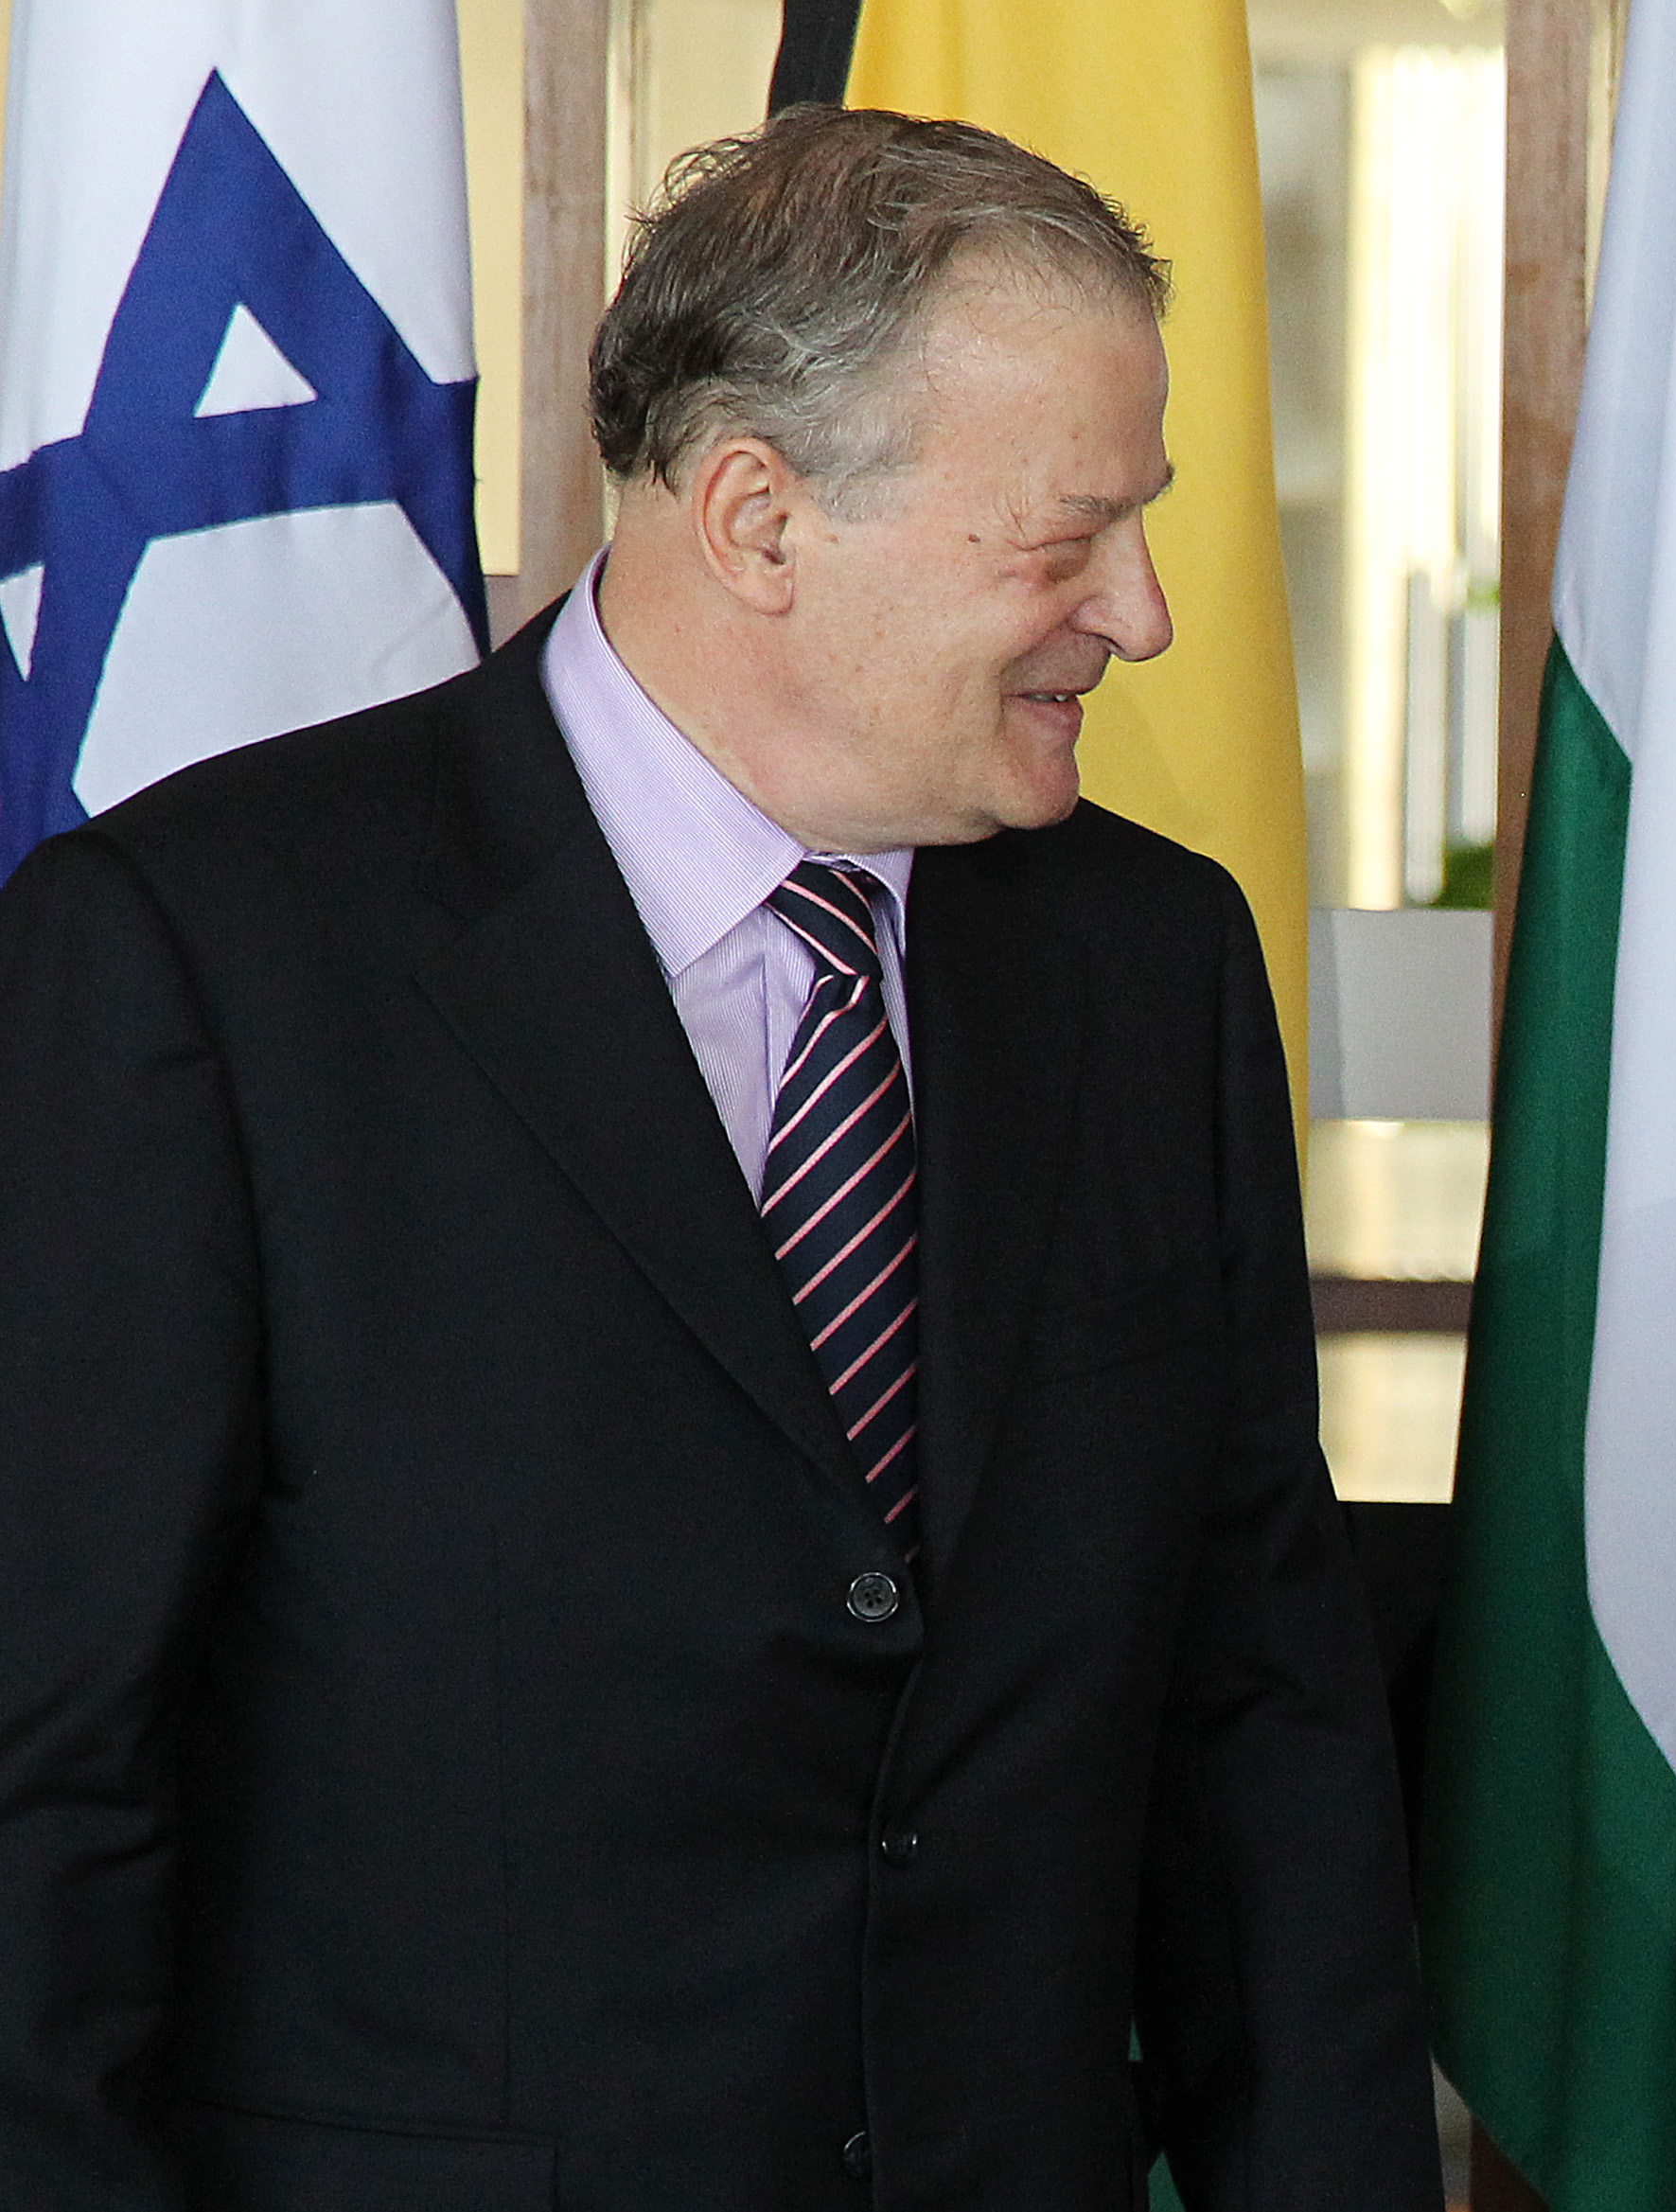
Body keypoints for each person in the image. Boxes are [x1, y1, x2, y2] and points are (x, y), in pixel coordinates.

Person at [0, 107, 1441, 2209]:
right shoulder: (201, 958)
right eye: (1066, 540)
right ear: (760, 519)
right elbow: (47, 1789)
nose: (1139, 616)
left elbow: (1261, 1732)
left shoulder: (1151, 961)